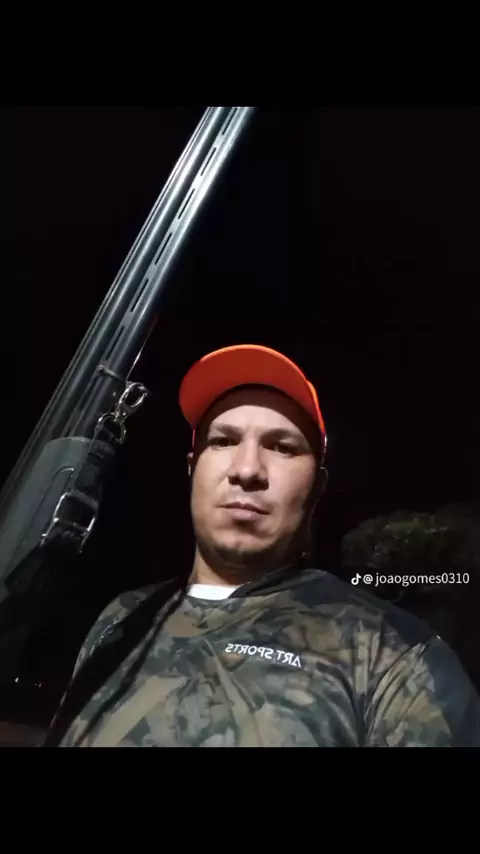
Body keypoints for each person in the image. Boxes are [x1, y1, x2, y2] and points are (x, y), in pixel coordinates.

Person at [45, 344, 480, 747]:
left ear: (317, 486)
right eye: (223, 441)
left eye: (282, 447)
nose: (248, 469)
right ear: (193, 469)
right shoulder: (122, 619)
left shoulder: (394, 656)